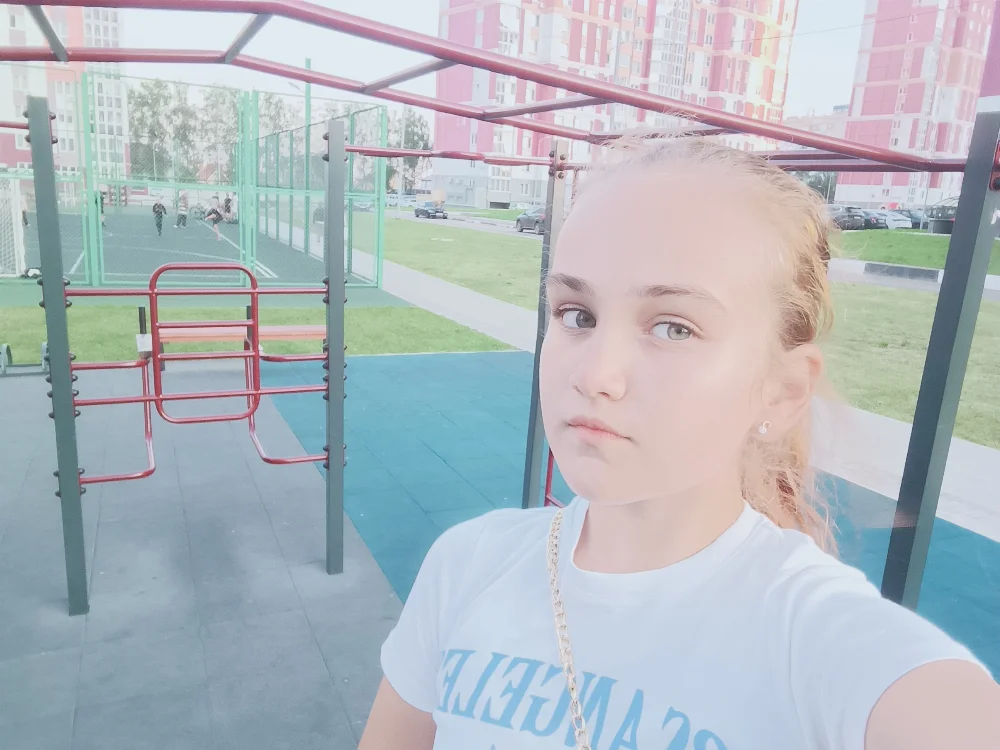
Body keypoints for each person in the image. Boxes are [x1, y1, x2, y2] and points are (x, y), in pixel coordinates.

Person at [361, 139, 1000, 750]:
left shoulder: (821, 641)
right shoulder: (467, 566)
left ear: (780, 392)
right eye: (576, 315)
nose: (594, 374)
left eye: (673, 328)